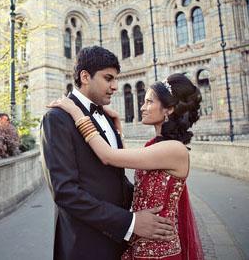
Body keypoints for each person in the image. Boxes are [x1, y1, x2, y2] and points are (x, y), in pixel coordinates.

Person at [48, 72, 204, 260]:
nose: (142, 107)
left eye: (149, 102)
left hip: (159, 249)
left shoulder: (174, 150)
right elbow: (127, 167)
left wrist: (77, 113)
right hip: (139, 245)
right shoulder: (155, 146)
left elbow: (108, 156)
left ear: (169, 109)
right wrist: (117, 130)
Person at [40, 46, 175, 260]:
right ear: (85, 76)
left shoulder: (108, 118)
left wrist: (149, 208)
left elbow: (115, 179)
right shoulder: (57, 119)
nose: (115, 87)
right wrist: (130, 222)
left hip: (119, 241)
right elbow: (65, 192)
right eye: (108, 78)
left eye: (116, 79)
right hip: (85, 246)